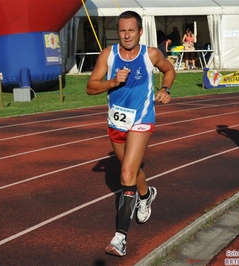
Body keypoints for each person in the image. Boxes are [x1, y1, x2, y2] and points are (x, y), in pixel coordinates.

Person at [86, 10, 175, 257]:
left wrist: (165, 88)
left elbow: (169, 70)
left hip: (142, 119)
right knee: (131, 169)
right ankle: (146, 195)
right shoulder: (109, 55)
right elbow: (90, 87)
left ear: (140, 31)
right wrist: (113, 82)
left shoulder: (151, 54)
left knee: (126, 174)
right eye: (122, 30)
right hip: (116, 122)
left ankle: (120, 238)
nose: (127, 35)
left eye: (131, 30)